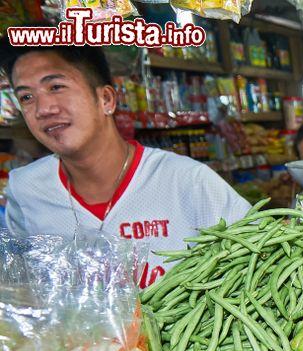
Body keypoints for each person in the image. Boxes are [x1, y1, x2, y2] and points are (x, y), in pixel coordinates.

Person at [1, 43, 251, 287]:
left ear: (106, 99)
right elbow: (25, 288)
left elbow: (259, 260)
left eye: (56, 86)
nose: (43, 109)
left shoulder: (187, 181)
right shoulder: (26, 190)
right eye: (26, 97)